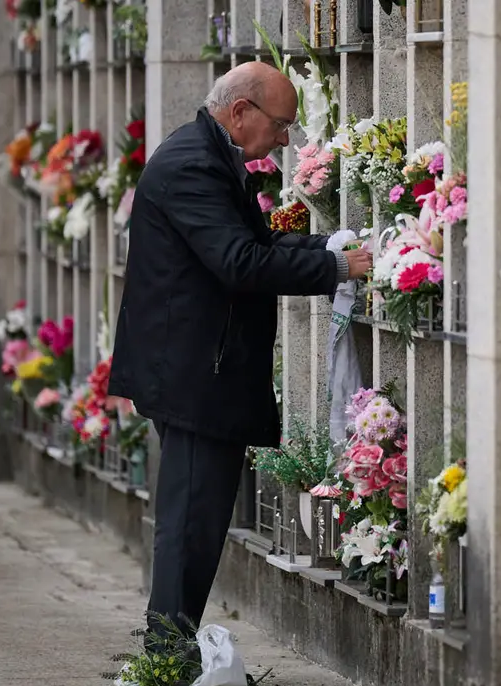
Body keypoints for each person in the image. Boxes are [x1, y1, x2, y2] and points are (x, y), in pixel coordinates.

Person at [107, 62, 371, 655]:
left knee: (198, 516)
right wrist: (333, 268)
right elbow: (239, 262)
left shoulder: (208, 155)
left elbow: (254, 241)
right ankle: (167, 653)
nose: (285, 139)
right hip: (193, 372)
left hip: (200, 366)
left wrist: (326, 246)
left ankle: (172, 646)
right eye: (280, 124)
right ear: (241, 112)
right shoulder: (193, 165)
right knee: (190, 518)